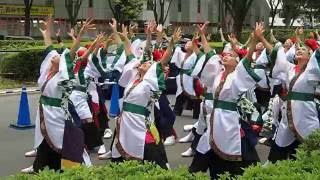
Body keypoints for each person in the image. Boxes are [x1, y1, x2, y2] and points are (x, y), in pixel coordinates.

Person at [189, 22, 263, 179]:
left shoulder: (237, 76)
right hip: (215, 118)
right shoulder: (218, 74)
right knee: (204, 146)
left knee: (228, 150)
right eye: (225, 54)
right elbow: (210, 56)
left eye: (230, 55)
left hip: (228, 119)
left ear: (237, 63)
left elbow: (247, 60)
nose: (226, 55)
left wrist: (255, 40)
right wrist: (203, 35)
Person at [21, 17, 95, 173]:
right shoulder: (48, 74)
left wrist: (80, 34)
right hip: (44, 111)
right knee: (43, 138)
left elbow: (71, 54)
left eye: (58, 56)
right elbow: (49, 49)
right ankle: (38, 166)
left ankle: (79, 166)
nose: (55, 56)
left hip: (57, 114)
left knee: (63, 141)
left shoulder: (62, 77)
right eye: (54, 56)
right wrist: (46, 33)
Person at [110, 25, 181, 169]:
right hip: (125, 121)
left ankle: (162, 169)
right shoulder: (134, 79)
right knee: (120, 153)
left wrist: (172, 44)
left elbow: (162, 62)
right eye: (145, 62)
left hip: (139, 122)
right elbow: (130, 54)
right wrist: (125, 39)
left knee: (148, 150)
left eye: (149, 63)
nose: (145, 63)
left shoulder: (149, 84)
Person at [257, 26, 320, 163]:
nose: (299, 50)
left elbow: (318, 54)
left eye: (304, 50)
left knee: (310, 146)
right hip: (288, 112)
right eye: (298, 48)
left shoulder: (312, 69)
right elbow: (275, 53)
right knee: (279, 145)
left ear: (310, 56)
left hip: (306, 112)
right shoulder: (290, 68)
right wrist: (261, 38)